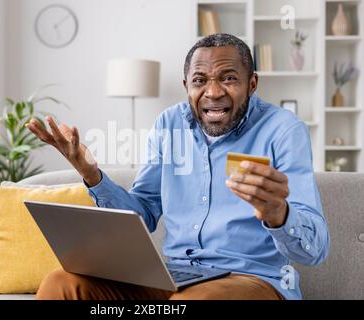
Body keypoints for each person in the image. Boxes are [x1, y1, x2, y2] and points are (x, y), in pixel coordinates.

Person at [26, 33, 329, 300]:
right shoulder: (169, 124)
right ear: (186, 86)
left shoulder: (283, 130)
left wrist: (279, 215)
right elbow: (142, 212)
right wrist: (90, 173)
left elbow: (315, 251)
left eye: (228, 78)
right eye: (200, 81)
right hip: (174, 277)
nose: (213, 92)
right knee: (62, 284)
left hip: (251, 281)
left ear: (252, 84)